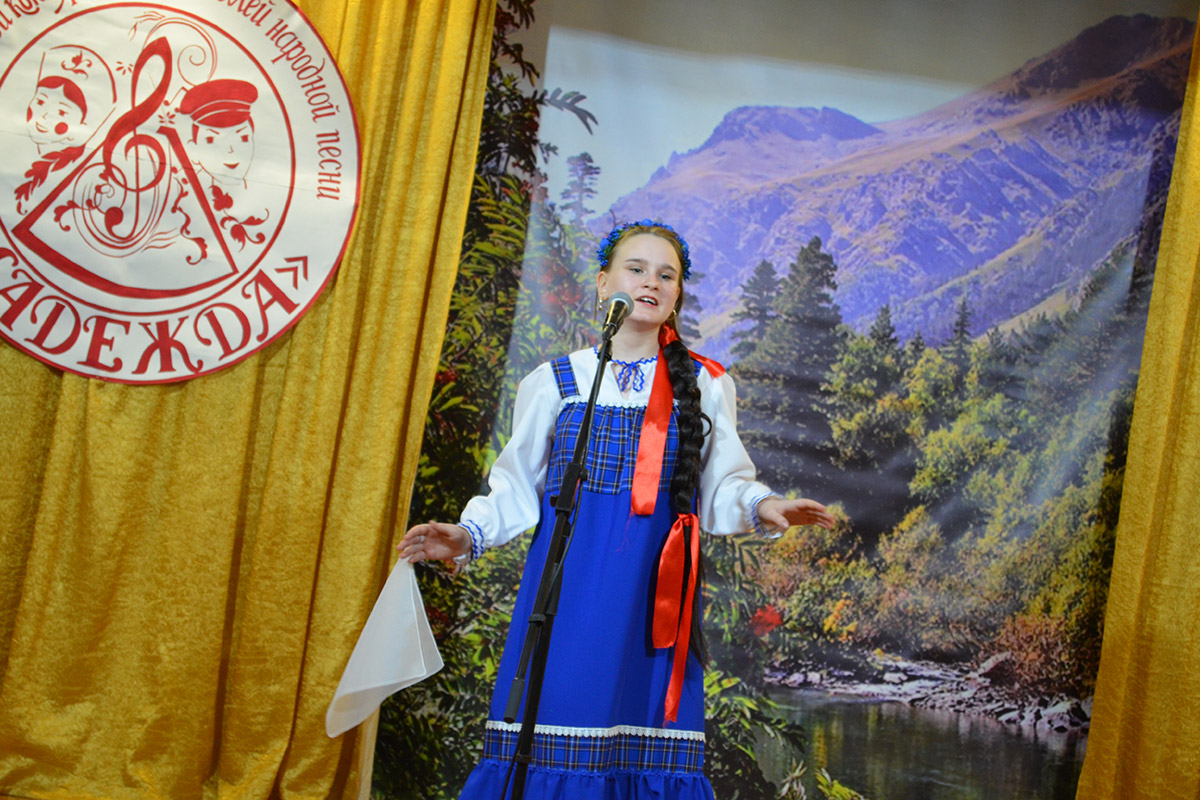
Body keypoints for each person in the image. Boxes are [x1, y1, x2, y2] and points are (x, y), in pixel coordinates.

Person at [398, 219, 835, 800]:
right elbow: (515, 486)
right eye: (637, 269)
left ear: (677, 295)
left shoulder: (704, 383)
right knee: (553, 728)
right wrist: (467, 534)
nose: (651, 282)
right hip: (565, 594)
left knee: (642, 738)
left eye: (667, 275)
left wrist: (765, 505)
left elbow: (725, 484)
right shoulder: (557, 380)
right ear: (604, 283)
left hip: (654, 597)